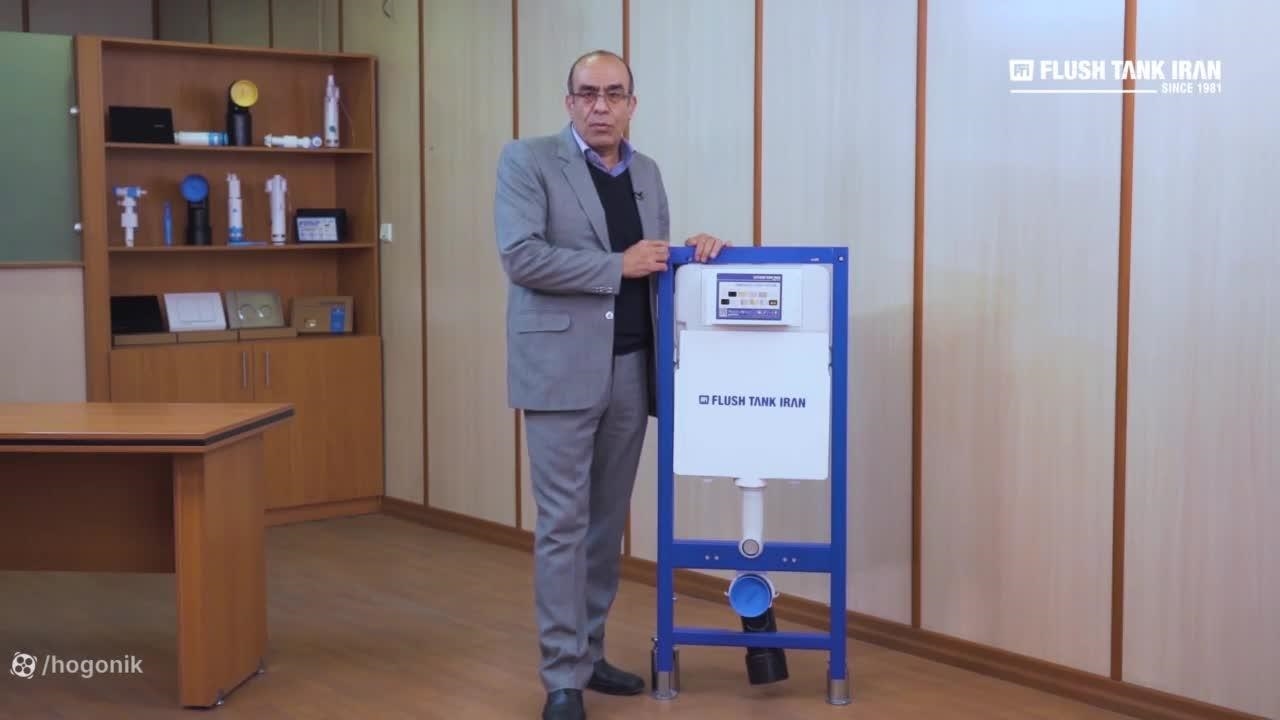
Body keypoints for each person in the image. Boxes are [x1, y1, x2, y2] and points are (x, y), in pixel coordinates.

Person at [493, 49, 727, 720]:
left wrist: (695, 252)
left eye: (614, 94)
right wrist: (614, 266)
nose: (601, 106)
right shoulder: (527, 161)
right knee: (563, 526)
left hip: (630, 368)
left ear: (631, 104)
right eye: (588, 93)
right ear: (569, 102)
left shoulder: (646, 172)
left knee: (603, 526)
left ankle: (589, 652)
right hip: (559, 371)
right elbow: (522, 256)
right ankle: (561, 677)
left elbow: (651, 267)